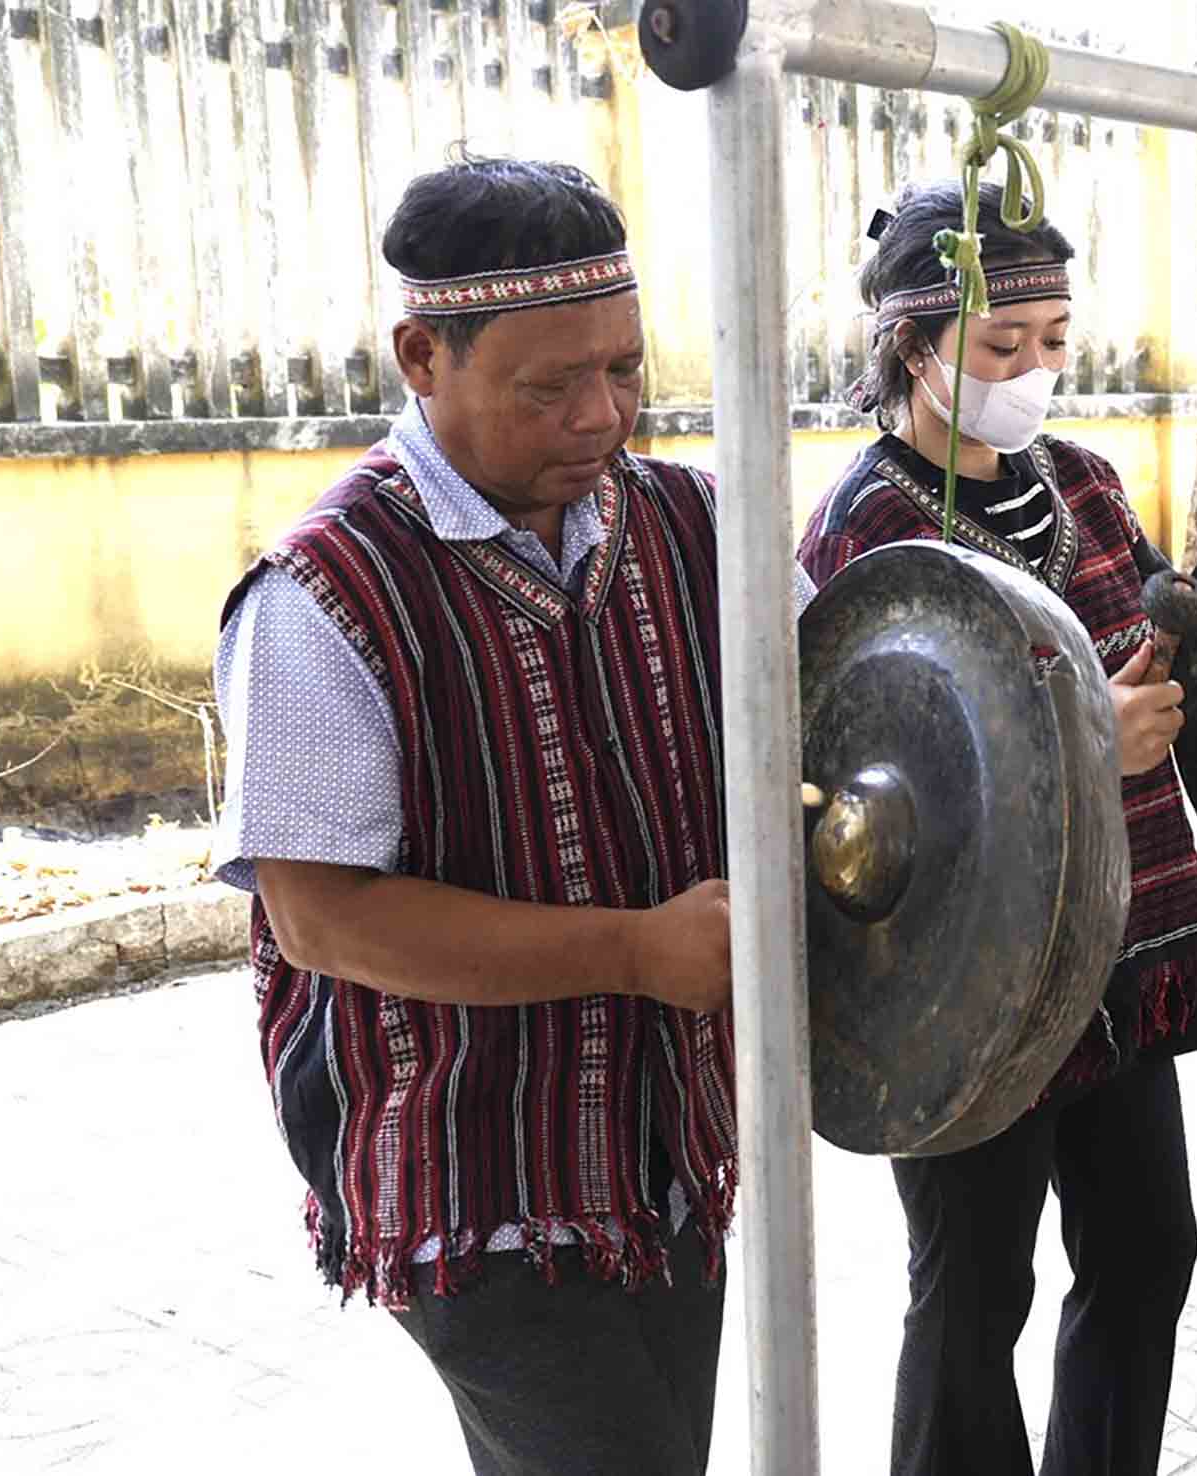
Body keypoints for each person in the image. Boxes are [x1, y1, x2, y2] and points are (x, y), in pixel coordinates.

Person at [211, 157, 740, 1475]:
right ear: (420, 357)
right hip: (467, 1174)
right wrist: (633, 949)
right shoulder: (319, 595)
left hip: (669, 1136)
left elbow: (837, 701)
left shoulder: (683, 520)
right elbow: (323, 920)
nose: (602, 414)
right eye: (548, 385)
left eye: (623, 370)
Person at [797, 180, 1197, 1476]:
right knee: (977, 1295)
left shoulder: (1086, 486)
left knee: (1148, 1250)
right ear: (912, 350)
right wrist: (1083, 733)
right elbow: (853, 796)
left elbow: (1147, 659)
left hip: (1114, 949)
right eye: (1003, 346)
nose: (1036, 369)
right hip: (957, 983)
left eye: (1052, 337)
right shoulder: (863, 533)